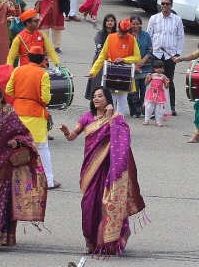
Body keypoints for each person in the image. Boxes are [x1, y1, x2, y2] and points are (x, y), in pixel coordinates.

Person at [58, 86, 145, 256]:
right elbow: (72, 136)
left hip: (109, 168)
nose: (96, 99)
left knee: (108, 203)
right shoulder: (87, 117)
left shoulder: (116, 118)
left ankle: (111, 242)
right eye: (94, 96)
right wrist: (66, 132)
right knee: (88, 205)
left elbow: (120, 137)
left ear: (107, 99)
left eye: (100, 96)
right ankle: (89, 242)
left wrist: (110, 115)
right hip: (90, 169)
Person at [0, 82, 47, 250]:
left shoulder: (9, 112)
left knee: (5, 199)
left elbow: (24, 133)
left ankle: (2, 236)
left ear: (2, 98)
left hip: (6, 162)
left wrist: (17, 142)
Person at [7, 45, 57, 189]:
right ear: (41, 59)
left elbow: (9, 90)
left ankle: (16, 180)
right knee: (42, 148)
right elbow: (46, 98)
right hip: (36, 115)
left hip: (18, 113)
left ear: (28, 57)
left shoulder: (17, 70)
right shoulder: (43, 74)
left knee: (18, 148)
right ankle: (49, 181)